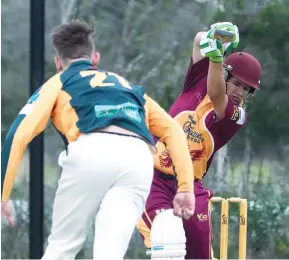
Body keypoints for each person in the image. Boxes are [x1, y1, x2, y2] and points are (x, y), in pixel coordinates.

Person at [1, 20, 196, 259]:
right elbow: (173, 131)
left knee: (62, 247)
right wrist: (185, 187)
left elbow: (18, 135)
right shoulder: (126, 86)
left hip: (92, 150)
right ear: (95, 58)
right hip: (138, 157)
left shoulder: (59, 81)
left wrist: (2, 195)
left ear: (58, 63)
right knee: (109, 253)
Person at [137, 22, 262, 259]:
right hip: (154, 178)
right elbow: (197, 40)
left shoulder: (236, 115)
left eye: (246, 89)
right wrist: (213, 36)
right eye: (236, 83)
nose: (239, 92)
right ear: (225, 73)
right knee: (168, 242)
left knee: (201, 256)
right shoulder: (198, 80)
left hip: (190, 185)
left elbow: (217, 94)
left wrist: (216, 57)